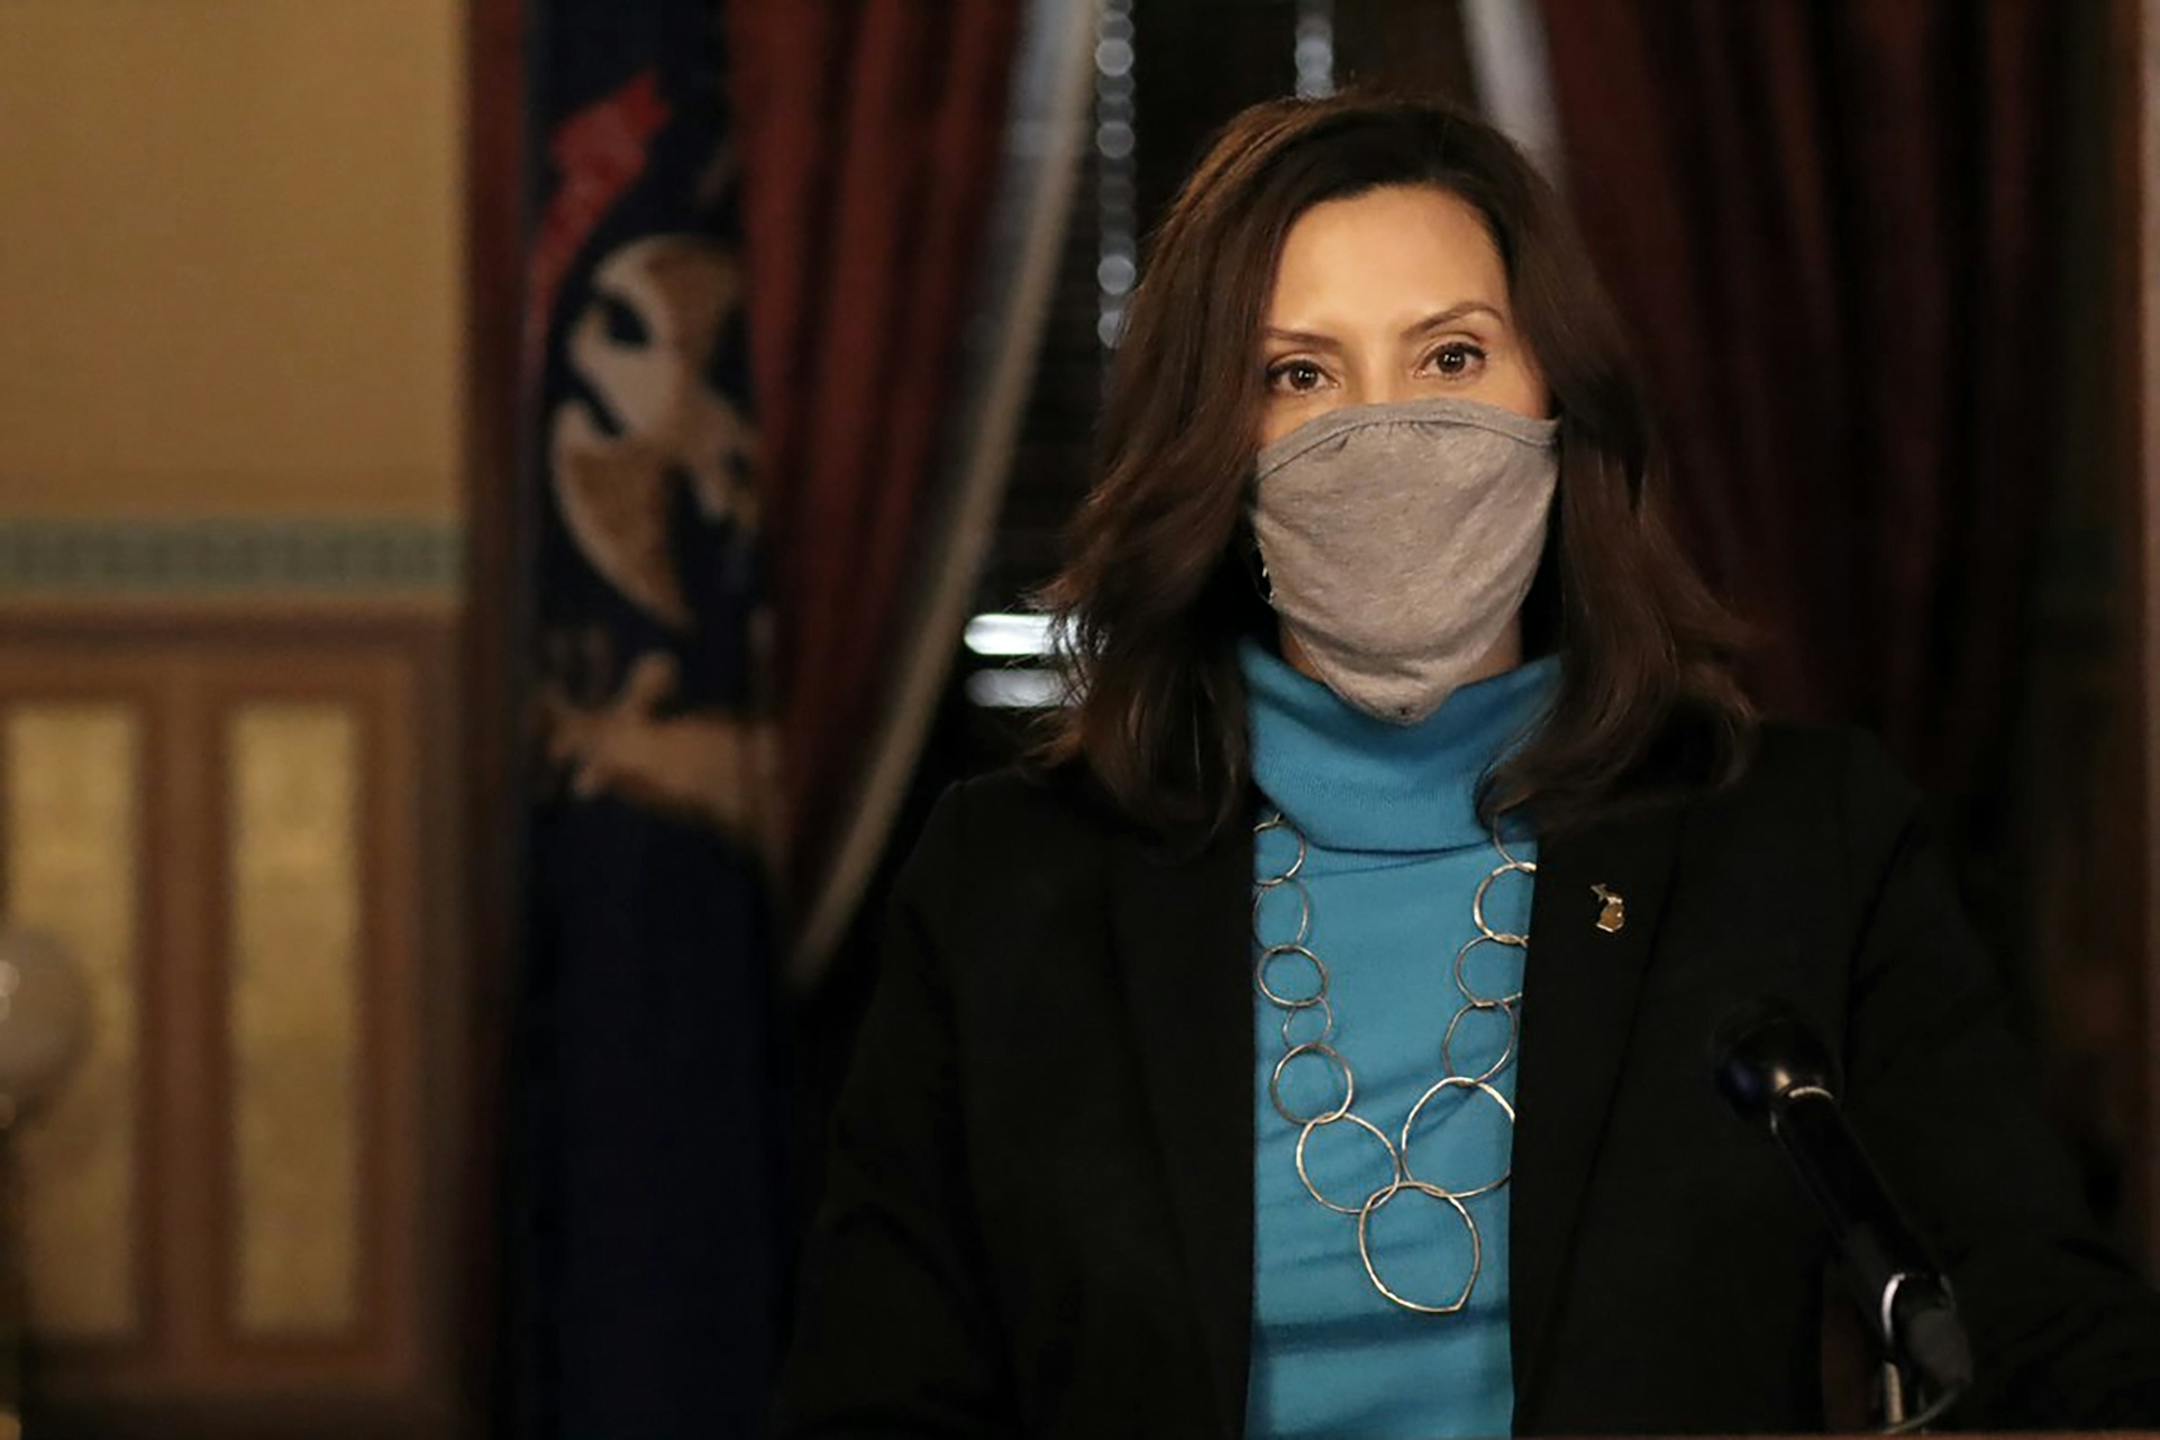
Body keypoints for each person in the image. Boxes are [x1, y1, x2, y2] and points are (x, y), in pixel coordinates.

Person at [770, 91, 2160, 1436]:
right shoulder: (1010, 886)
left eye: (1450, 358)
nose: (1387, 434)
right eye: (1298, 375)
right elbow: (879, 1399)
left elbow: (2043, 1338)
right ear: (1215, 444)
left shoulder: (1805, 845)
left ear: (1559, 400)